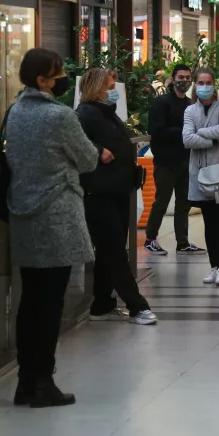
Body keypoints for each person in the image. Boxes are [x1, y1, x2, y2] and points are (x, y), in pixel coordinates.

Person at [5, 48, 98, 408]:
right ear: (43, 80)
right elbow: (88, 159)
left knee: (29, 302)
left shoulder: (16, 112)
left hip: (23, 216)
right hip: (57, 217)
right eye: (58, 74)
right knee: (50, 305)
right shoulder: (60, 116)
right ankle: (43, 382)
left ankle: (25, 381)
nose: (62, 80)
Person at [76, 68, 159, 325]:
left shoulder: (108, 114)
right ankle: (137, 305)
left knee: (108, 251)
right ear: (96, 88)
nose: (114, 90)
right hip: (99, 194)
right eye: (110, 86)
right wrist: (97, 150)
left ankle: (102, 303)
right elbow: (73, 143)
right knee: (114, 251)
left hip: (118, 190)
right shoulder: (85, 115)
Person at [183, 68, 219, 286]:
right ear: (195, 86)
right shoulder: (190, 111)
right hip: (200, 174)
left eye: (208, 82)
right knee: (208, 222)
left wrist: (202, 134)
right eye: (201, 82)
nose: (205, 86)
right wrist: (213, 139)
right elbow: (187, 139)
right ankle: (213, 266)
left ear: (214, 84)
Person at [145, 64, 204, 255]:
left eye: (187, 77)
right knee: (161, 201)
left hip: (186, 161)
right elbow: (156, 131)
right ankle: (150, 238)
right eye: (181, 77)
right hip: (165, 162)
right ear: (172, 78)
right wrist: (185, 132)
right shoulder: (161, 103)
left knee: (183, 204)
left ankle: (183, 242)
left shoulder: (190, 104)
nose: (184, 81)